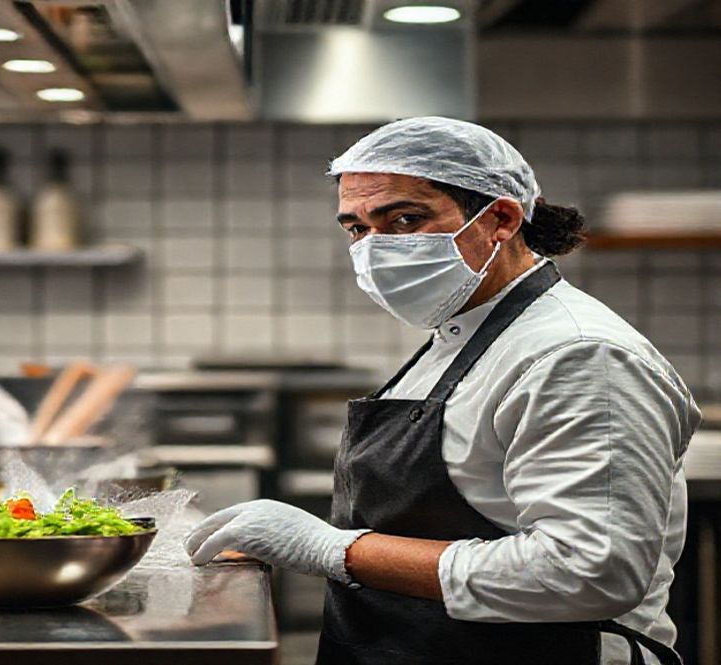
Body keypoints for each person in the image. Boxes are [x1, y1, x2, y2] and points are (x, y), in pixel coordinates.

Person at [184, 117, 701, 665]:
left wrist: (332, 548)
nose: (376, 249)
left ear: (501, 218)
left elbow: (588, 573)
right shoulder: (463, 333)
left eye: (405, 219)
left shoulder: (580, 355)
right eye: (357, 229)